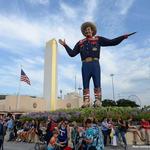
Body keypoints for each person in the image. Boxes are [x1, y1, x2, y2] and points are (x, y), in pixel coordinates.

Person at [59, 21, 133, 108]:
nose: (87, 31)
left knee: (97, 82)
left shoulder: (98, 39)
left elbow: (112, 42)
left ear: (92, 30)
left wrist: (122, 37)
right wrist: (65, 45)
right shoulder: (80, 42)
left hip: (95, 63)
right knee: (85, 83)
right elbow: (72, 54)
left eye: (88, 29)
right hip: (85, 64)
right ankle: (86, 101)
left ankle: (98, 101)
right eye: (85, 30)